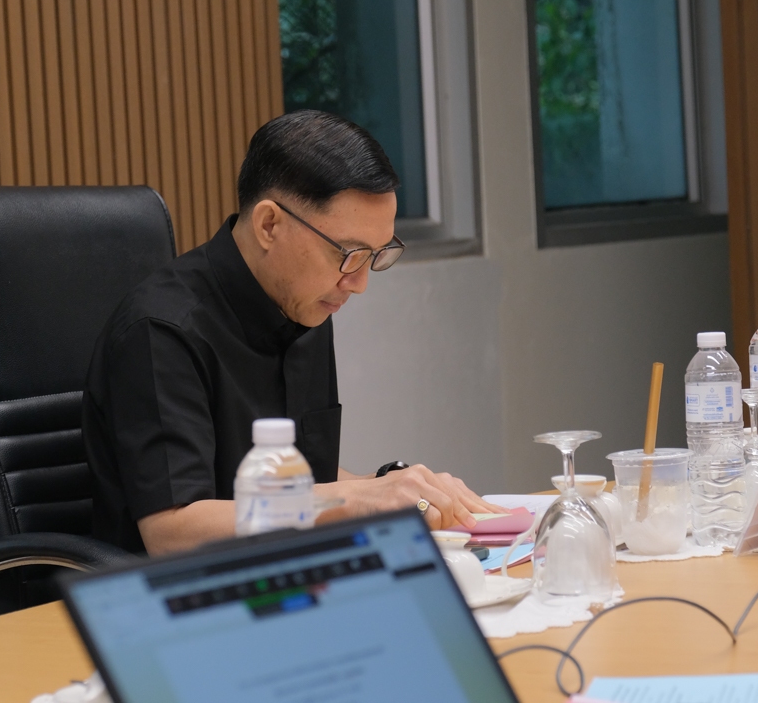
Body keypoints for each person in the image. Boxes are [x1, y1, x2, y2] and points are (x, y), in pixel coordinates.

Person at [83, 110, 502, 556]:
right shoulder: (161, 330)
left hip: (291, 569)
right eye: (349, 254)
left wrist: (394, 489)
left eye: (376, 255)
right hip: (178, 589)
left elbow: (306, 480)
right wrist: (355, 500)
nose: (359, 283)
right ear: (269, 225)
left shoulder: (303, 307)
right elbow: (173, 531)